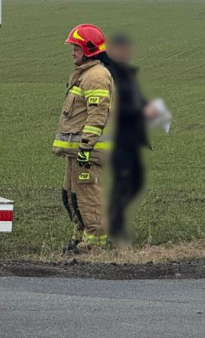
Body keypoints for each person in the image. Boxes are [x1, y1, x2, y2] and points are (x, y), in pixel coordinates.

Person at [53, 24, 115, 254]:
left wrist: (86, 147)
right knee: (72, 196)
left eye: (76, 48)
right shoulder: (85, 74)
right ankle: (80, 237)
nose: (73, 53)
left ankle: (94, 244)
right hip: (77, 150)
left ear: (89, 50)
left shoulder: (96, 77)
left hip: (87, 151)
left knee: (88, 197)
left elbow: (97, 115)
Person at [103, 34, 155, 246]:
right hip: (119, 140)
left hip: (132, 138)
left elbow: (135, 98)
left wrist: (147, 106)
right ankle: (114, 229)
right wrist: (141, 111)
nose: (126, 52)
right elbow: (114, 108)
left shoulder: (126, 72)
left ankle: (114, 224)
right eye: (122, 49)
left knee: (136, 182)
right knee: (123, 184)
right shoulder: (110, 75)